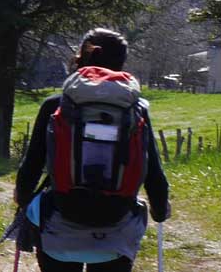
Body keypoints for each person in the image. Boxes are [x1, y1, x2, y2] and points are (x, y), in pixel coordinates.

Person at [14, 29, 170, 272]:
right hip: (116, 232)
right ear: (121, 64)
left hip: (59, 229)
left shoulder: (56, 105)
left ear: (81, 59)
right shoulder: (135, 109)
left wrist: (24, 205)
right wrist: (160, 211)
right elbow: (154, 175)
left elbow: (30, 168)